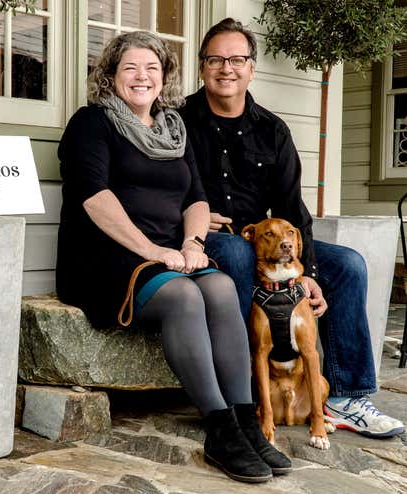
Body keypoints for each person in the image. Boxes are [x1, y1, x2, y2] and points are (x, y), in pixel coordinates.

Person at [56, 30, 291, 483]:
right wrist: (154, 251)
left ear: (165, 77)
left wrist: (192, 245)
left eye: (152, 68)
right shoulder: (93, 122)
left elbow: (197, 200)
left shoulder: (172, 128)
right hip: (107, 258)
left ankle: (245, 420)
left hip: (169, 253)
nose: (142, 77)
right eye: (130, 68)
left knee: (221, 286)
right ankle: (219, 429)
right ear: (110, 76)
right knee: (184, 297)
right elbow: (94, 197)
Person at [178, 17, 405, 438]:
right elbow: (154, 185)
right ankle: (245, 397)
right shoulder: (179, 122)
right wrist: (187, 212)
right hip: (205, 239)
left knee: (349, 264)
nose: (226, 68)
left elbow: (291, 208)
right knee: (235, 252)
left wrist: (311, 273)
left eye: (237, 59)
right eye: (215, 59)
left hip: (263, 240)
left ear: (251, 67)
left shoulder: (273, 130)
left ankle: (345, 396)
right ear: (201, 66)